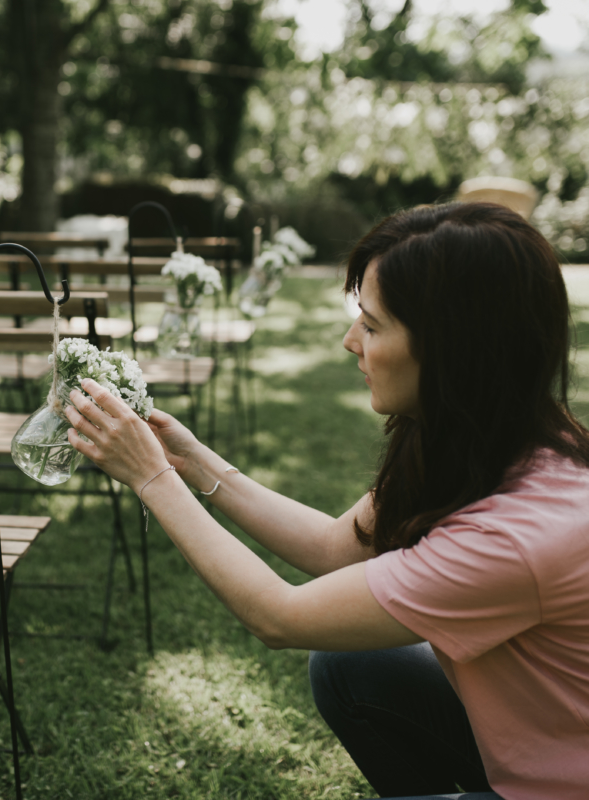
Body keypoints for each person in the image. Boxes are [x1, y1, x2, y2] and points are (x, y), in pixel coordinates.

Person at [64, 202, 589, 800]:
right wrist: (190, 459)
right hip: (533, 753)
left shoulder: (516, 536)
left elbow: (278, 617)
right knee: (351, 667)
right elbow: (335, 549)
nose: (349, 341)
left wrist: (151, 479)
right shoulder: (486, 443)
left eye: (371, 325)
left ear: (452, 348)